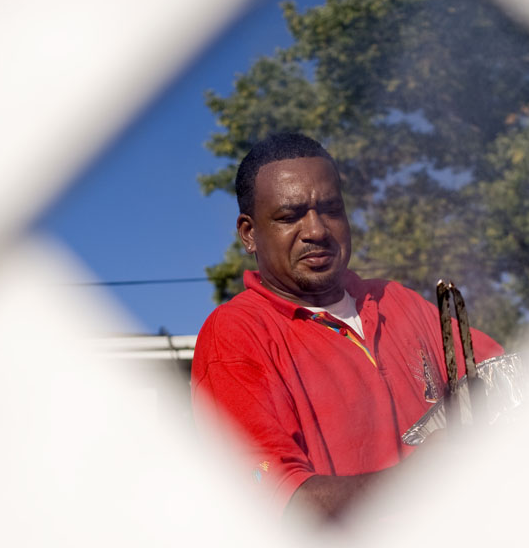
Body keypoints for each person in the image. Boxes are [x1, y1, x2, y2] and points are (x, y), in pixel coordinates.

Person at [191, 132, 503, 519]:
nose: (317, 230)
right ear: (249, 233)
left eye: (331, 209)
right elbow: (277, 504)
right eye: (289, 217)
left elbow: (502, 381)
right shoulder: (235, 335)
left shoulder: (397, 301)